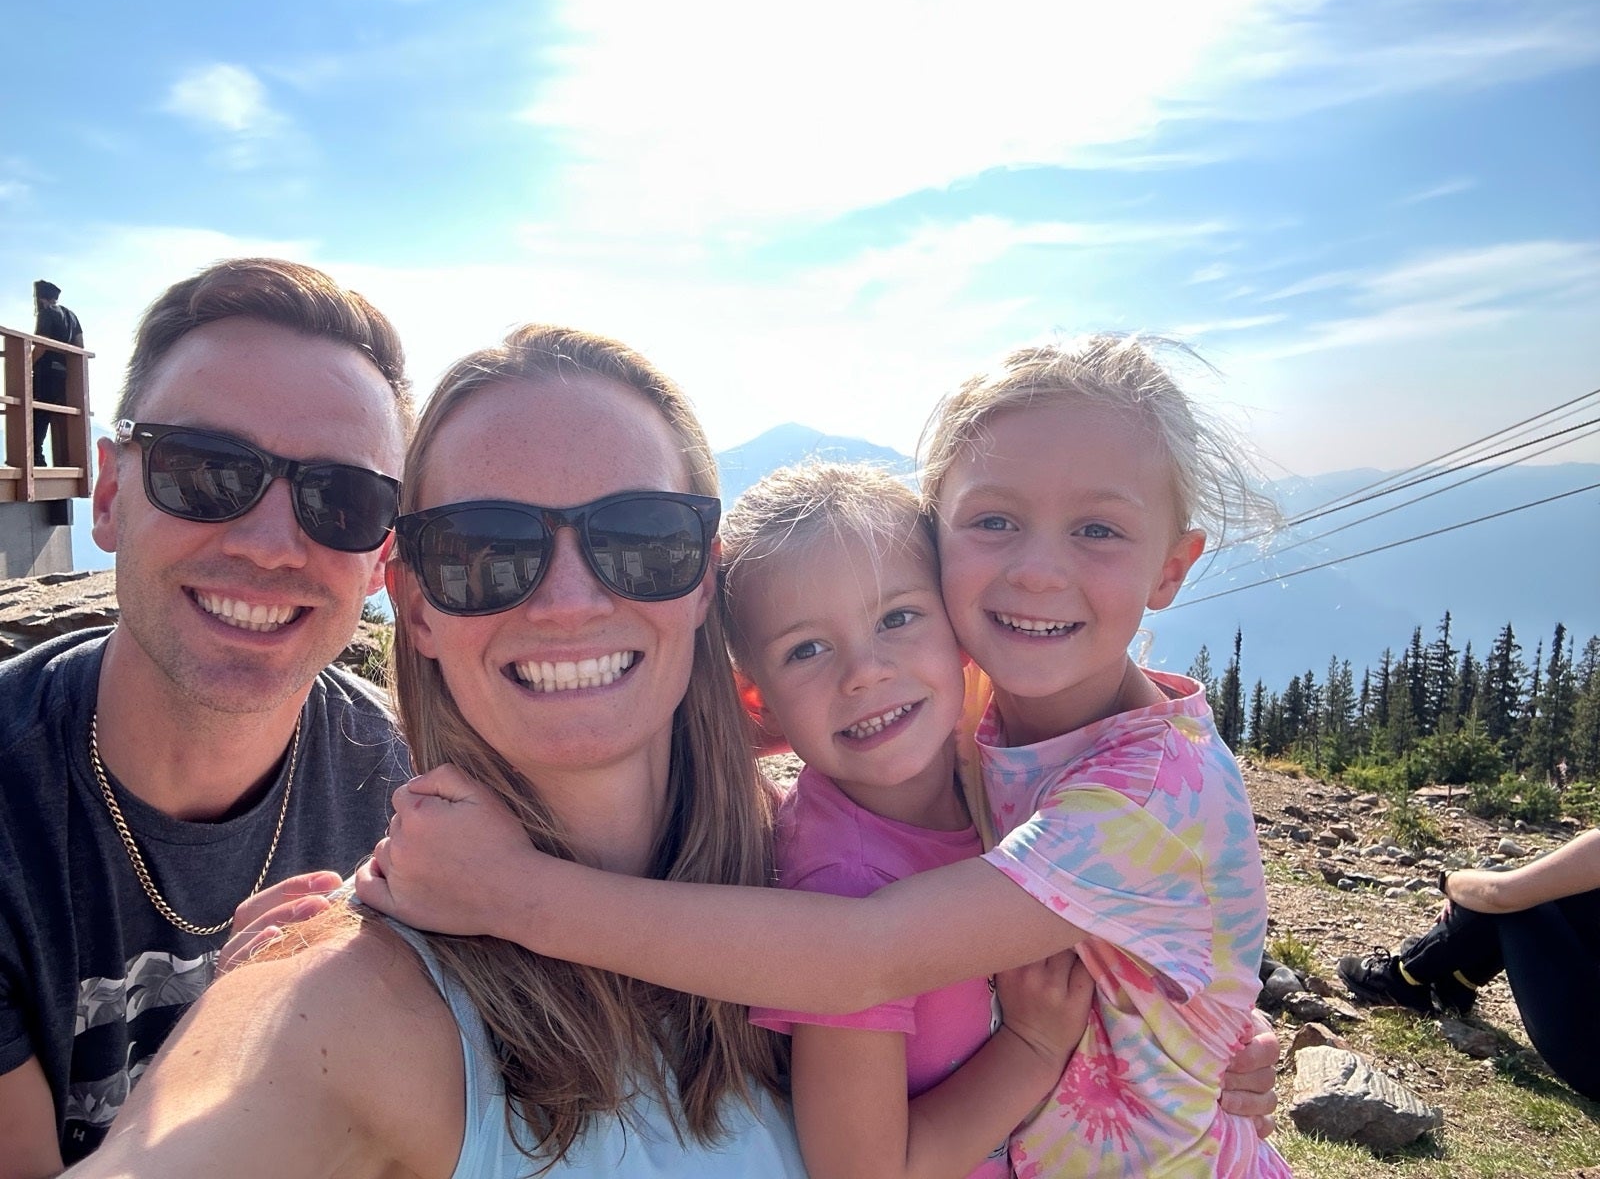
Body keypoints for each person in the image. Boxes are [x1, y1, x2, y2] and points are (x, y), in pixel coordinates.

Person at [72, 326, 1275, 1179]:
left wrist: (1171, 1042)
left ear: (701, 585)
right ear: (416, 603)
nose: (567, 599)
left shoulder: (804, 844)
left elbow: (883, 948)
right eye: (487, 548)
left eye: (639, 539)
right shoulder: (339, 1006)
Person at [0, 258, 413, 1176]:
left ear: (381, 557)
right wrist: (224, 1037)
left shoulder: (404, 793)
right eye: (203, 470)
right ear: (109, 497)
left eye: (340, 499)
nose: (269, 545)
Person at [726, 461, 1094, 1178]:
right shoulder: (842, 885)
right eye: (806, 649)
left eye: (898, 618)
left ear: (957, 630)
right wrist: (1031, 1049)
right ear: (758, 702)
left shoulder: (1010, 776)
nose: (864, 671)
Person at [1338, 828, 1600, 1102]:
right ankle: (1456, 981)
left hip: (1590, 1063)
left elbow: (1500, 894)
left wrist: (1449, 880)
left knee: (1520, 897)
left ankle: (1404, 977)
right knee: (1555, 881)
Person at [31, 280, 85, 466]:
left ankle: (36, 458)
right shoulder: (72, 316)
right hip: (64, 375)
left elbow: (41, 344)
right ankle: (65, 462)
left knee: (36, 414)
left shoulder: (46, 312)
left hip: (45, 371)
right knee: (55, 414)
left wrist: (27, 364)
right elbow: (79, 346)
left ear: (41, 298)